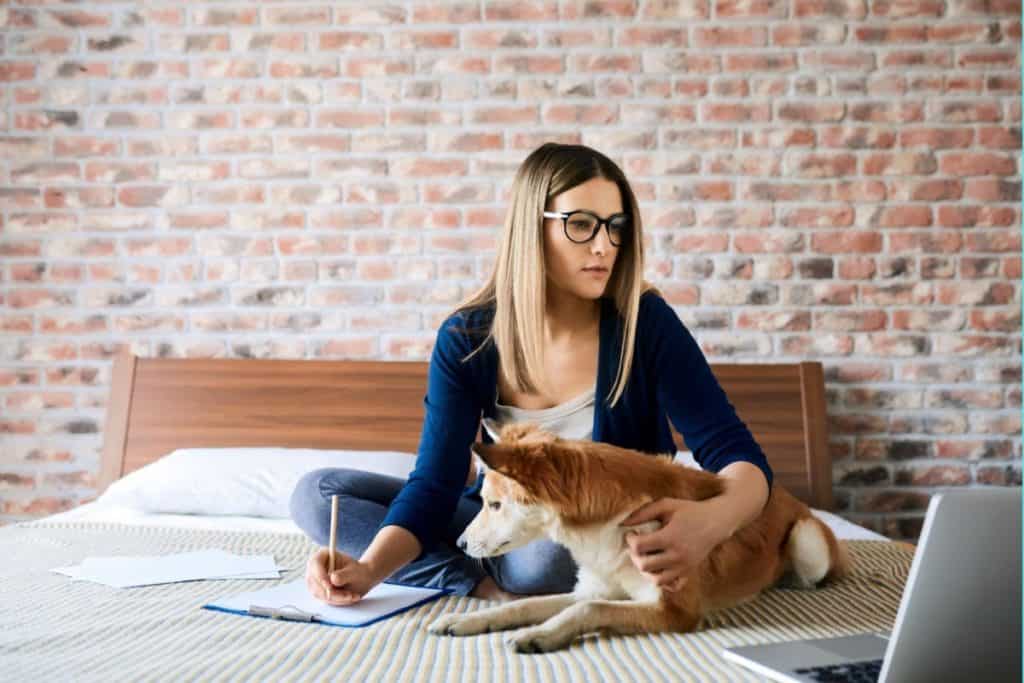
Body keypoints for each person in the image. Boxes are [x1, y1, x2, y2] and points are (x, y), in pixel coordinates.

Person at [290, 142, 772, 605]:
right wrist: (370, 570)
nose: (604, 245)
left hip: (592, 535)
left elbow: (736, 454)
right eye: (581, 224)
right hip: (497, 515)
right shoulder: (468, 338)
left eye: (615, 226)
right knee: (316, 495)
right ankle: (475, 583)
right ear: (531, 229)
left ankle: (496, 572)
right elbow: (436, 484)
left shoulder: (644, 325)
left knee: (544, 561)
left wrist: (710, 523)